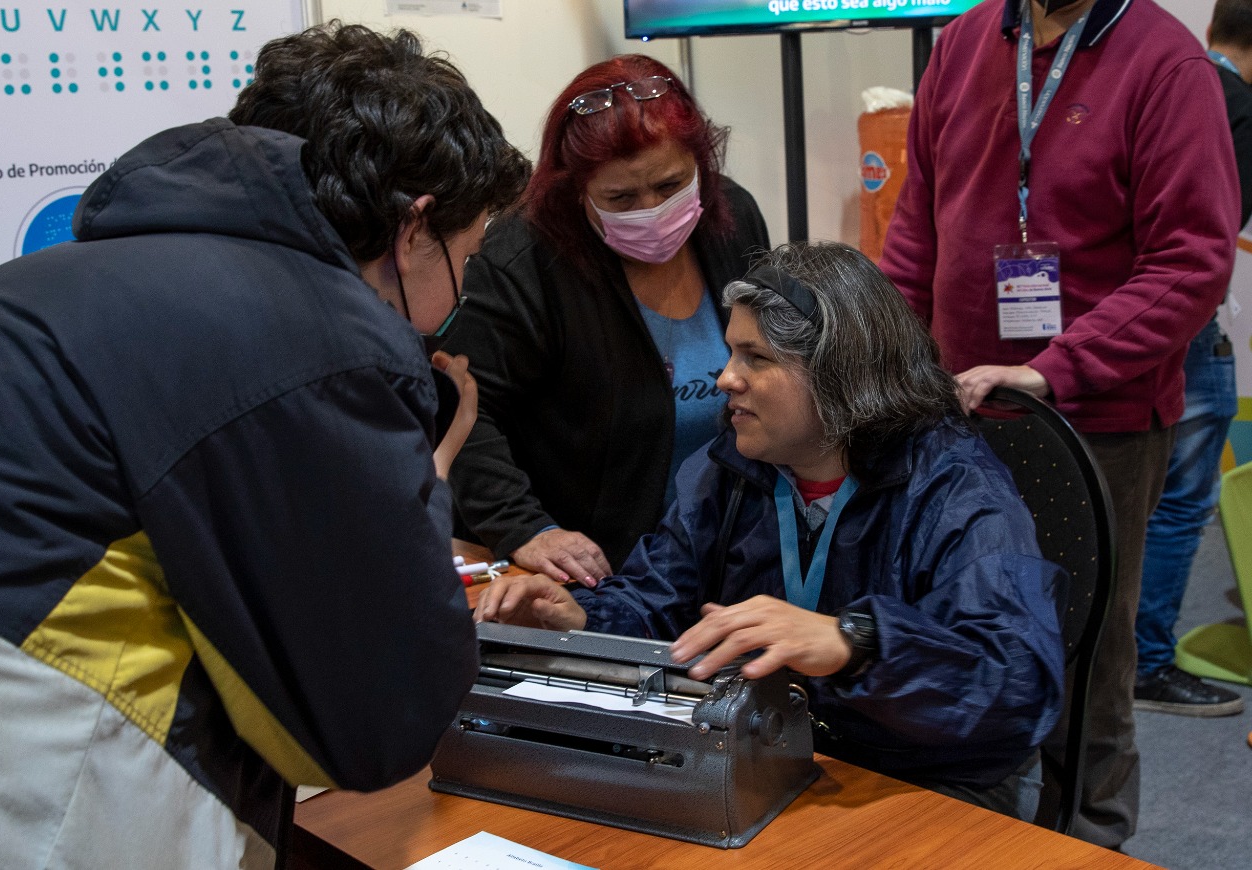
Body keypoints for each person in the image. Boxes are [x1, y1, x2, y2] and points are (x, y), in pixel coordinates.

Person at [0, 22, 529, 868]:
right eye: (470, 253)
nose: (465, 284)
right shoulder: (319, 337)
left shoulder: (42, 286)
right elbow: (379, 713)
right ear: (415, 229)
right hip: (53, 779)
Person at [475, 242, 1066, 821]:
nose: (725, 378)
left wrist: (854, 644)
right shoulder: (726, 466)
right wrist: (581, 619)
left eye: (756, 357)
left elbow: (1017, 683)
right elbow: (663, 597)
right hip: (771, 751)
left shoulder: (955, 490)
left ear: (840, 373)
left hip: (926, 779)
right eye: (731, 353)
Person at [878, 0, 1240, 847]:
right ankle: (980, 836)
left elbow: (1192, 260)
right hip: (961, 410)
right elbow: (916, 233)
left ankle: (1090, 843)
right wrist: (891, 365)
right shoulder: (965, 43)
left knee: (1085, 657)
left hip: (1095, 420)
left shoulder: (1167, 63)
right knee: (965, 636)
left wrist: (1053, 369)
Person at [443, 54, 769, 586]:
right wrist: (525, 528)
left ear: (702, 164)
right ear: (576, 190)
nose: (652, 211)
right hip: (595, 568)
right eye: (620, 198)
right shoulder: (519, 262)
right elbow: (465, 412)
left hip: (725, 550)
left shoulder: (732, 219)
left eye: (669, 186)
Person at [1134, 0, 1252, 718]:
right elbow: (1214, 230)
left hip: (1099, 327)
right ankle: (1145, 661)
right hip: (1179, 326)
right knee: (1180, 502)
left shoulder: (1146, 73)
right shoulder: (1231, 101)